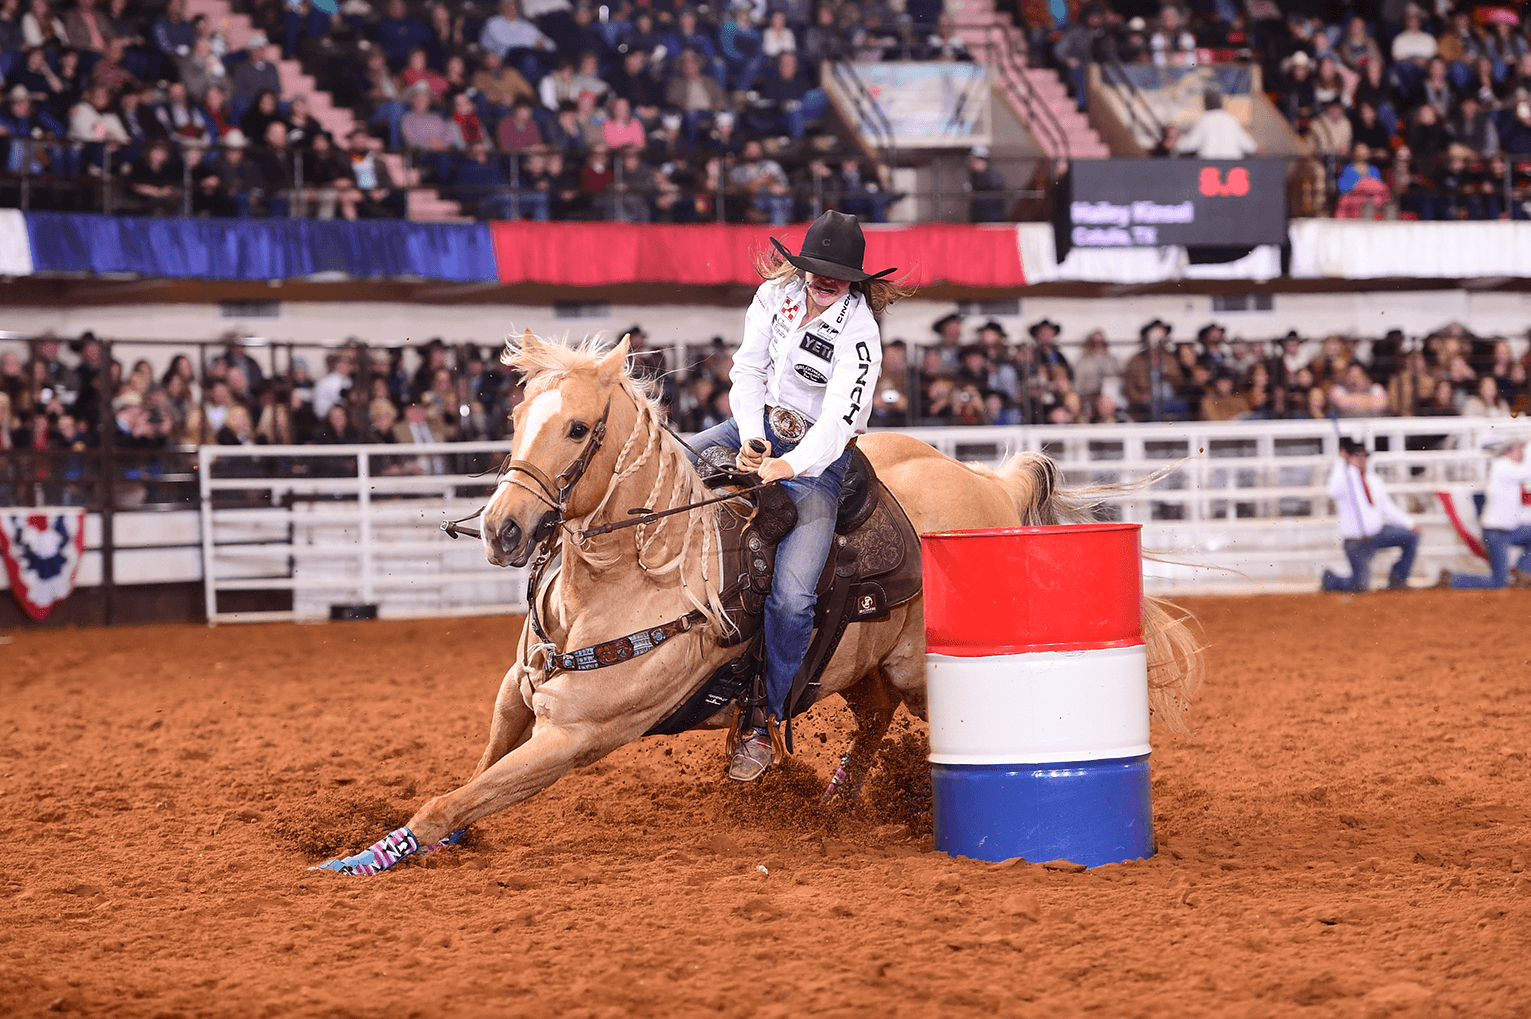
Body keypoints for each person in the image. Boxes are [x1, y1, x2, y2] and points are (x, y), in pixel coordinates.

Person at [687, 211, 910, 782]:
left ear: (854, 280)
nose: (824, 279)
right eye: (816, 269)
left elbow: (841, 420)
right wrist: (753, 435)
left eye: (837, 273)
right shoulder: (773, 296)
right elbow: (747, 371)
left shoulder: (860, 332)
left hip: (819, 462)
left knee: (792, 597)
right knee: (675, 468)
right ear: (803, 266)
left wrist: (789, 462)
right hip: (755, 429)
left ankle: (766, 718)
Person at [1320, 437, 1421, 593]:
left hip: (1376, 534)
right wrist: (1342, 462)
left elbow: (1387, 506)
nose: (1361, 460)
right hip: (1356, 541)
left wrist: (1409, 523)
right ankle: (1330, 579)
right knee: (1359, 585)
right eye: (1356, 456)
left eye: (1364, 456)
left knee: (1412, 537)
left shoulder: (1373, 480)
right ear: (1349, 458)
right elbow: (1333, 490)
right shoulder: (1345, 479)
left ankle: (1398, 580)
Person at [1444, 436, 1531, 589]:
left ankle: (1523, 572)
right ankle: (1454, 579)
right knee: (1499, 582)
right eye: (1519, 449)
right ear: (1508, 451)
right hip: (1497, 533)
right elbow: (1526, 471)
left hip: (1503, 531)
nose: (1522, 453)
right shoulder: (1502, 466)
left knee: (1500, 581)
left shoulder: (1504, 468)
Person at [1177, 90, 1257, 160]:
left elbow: (1191, 143)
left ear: (1205, 104)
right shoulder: (1231, 119)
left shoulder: (1204, 120)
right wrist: (1255, 146)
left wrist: (1178, 144)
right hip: (1232, 164)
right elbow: (1249, 146)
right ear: (1221, 103)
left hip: (1209, 166)